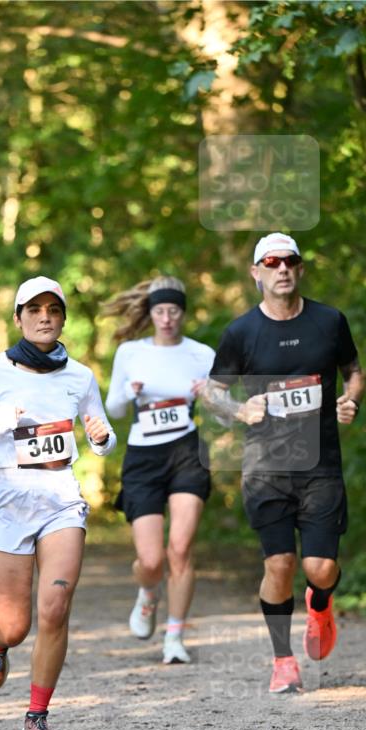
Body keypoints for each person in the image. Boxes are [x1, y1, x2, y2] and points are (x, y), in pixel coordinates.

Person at [0, 276, 116, 730]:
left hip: (60, 496)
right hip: (6, 498)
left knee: (56, 606)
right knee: (17, 624)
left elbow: (101, 436)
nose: (45, 317)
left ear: (63, 319)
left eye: (54, 310)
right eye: (34, 309)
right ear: (18, 318)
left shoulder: (79, 376)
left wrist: (102, 439)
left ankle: (36, 719)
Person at [201, 233, 365, 694]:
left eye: (289, 261)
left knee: (320, 569)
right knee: (280, 564)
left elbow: (353, 370)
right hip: (266, 468)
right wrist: (238, 410)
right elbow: (212, 392)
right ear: (256, 272)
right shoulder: (240, 333)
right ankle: (283, 661)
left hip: (321, 466)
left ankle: (321, 604)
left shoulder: (329, 322)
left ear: (300, 269)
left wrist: (350, 400)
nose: (281, 269)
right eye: (271, 263)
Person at [103, 276, 214, 664]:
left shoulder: (201, 354)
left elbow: (225, 413)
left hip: (187, 450)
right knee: (151, 561)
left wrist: (210, 395)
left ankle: (174, 638)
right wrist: (128, 394)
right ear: (150, 314)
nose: (167, 318)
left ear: (183, 313)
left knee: (180, 548)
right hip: (143, 456)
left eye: (174, 311)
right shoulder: (130, 352)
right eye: (160, 311)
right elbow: (113, 410)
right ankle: (148, 593)